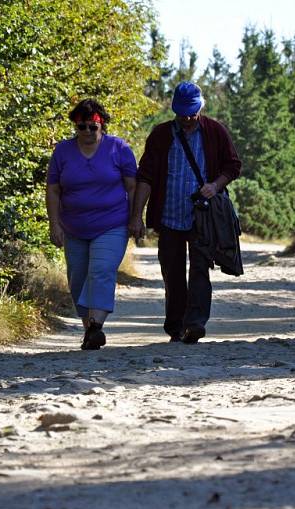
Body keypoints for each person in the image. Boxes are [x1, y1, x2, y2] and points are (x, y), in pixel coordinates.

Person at [129, 82, 242, 344]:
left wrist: (215, 186)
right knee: (172, 271)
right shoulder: (160, 135)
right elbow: (144, 176)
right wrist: (137, 216)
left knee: (200, 268)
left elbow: (233, 165)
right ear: (174, 110)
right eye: (183, 113)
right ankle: (176, 327)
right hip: (169, 216)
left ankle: (195, 324)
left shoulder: (215, 131)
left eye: (192, 113)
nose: (188, 119)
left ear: (201, 107)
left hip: (202, 216)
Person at [46, 99, 137, 350]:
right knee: (77, 279)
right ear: (75, 127)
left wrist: (136, 217)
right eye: (81, 127)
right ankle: (90, 329)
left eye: (92, 126)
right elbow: (53, 189)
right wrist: (54, 224)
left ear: (102, 125)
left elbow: (133, 186)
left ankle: (96, 326)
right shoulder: (63, 152)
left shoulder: (118, 148)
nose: (87, 132)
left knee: (102, 270)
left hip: (112, 223)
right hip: (73, 226)